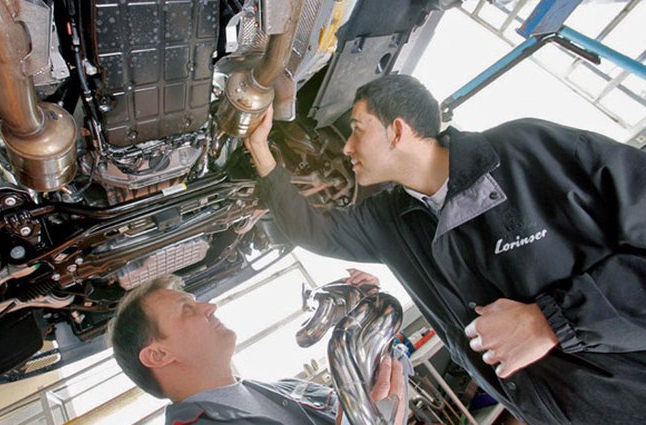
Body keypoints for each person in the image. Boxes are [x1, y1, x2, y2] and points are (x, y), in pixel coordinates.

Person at [244, 74, 646, 425]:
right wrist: (262, 153)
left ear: (397, 131)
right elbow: (315, 232)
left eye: (357, 130)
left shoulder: (526, 152)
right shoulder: (390, 220)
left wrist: (552, 322)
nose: (347, 148)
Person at [107, 274, 407, 425]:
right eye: (187, 309)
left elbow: (383, 395)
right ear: (158, 355)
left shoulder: (290, 389)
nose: (210, 307)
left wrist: (370, 322)